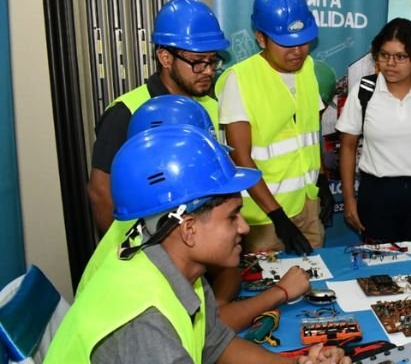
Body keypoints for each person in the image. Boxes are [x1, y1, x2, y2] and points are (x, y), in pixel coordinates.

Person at [45, 125, 349, 364]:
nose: (244, 228)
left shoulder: (176, 267)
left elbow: (215, 343)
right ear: (188, 229)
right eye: (232, 218)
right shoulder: (146, 327)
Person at [77, 95, 311, 332]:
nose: (243, 227)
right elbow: (216, 322)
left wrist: (214, 308)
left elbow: (224, 285)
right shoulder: (142, 305)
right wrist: (276, 294)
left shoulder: (160, 226)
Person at [87, 0, 229, 232]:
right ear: (165, 58)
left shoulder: (211, 105)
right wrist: (130, 249)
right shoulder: (126, 112)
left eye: (213, 61)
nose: (208, 71)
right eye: (197, 62)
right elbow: (100, 192)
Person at [217, 0, 331, 256]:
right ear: (261, 38)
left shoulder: (309, 69)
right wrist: (278, 217)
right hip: (265, 217)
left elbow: (310, 132)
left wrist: (323, 181)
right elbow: (240, 158)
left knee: (315, 282)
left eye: (303, 41)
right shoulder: (239, 80)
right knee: (266, 292)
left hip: (307, 204)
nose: (298, 51)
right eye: (286, 43)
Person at [336, 18, 411, 246]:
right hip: (376, 195)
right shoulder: (364, 91)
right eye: (384, 55)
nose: (391, 63)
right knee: (378, 266)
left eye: (400, 56)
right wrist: (349, 199)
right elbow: (348, 146)